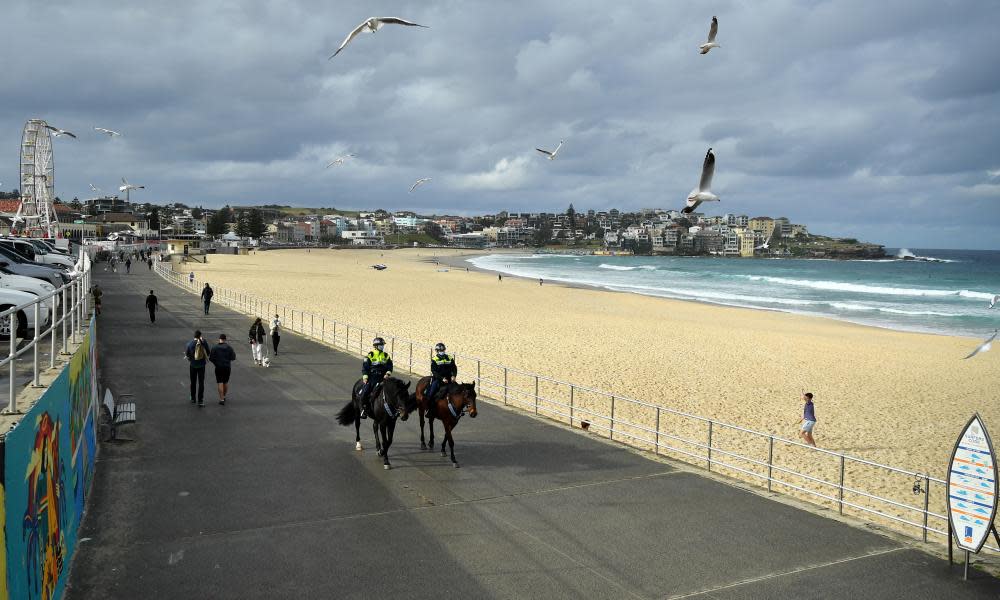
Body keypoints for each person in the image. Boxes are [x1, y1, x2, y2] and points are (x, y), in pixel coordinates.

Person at [359, 337, 393, 418]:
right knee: (364, 392)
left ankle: (395, 410)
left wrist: (387, 374)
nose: (382, 346)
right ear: (376, 346)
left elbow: (390, 366)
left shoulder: (386, 355)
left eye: (382, 345)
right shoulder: (370, 355)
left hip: (383, 377)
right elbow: (365, 368)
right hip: (372, 378)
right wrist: (365, 377)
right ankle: (363, 409)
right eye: (381, 345)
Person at [185, 330, 211, 406]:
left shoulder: (189, 344)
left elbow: (187, 355)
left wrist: (191, 359)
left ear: (194, 336)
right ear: (200, 336)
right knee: (201, 383)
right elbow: (208, 352)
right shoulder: (204, 342)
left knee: (193, 382)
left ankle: (193, 398)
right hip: (202, 365)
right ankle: (200, 400)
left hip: (193, 365)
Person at [210, 333, 237, 405]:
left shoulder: (215, 347)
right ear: (225, 339)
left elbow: (211, 358)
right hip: (227, 367)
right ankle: (224, 396)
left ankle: (221, 399)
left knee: (220, 382)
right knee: (225, 382)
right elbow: (233, 357)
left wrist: (216, 363)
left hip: (218, 367)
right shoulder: (229, 348)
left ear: (219, 339)